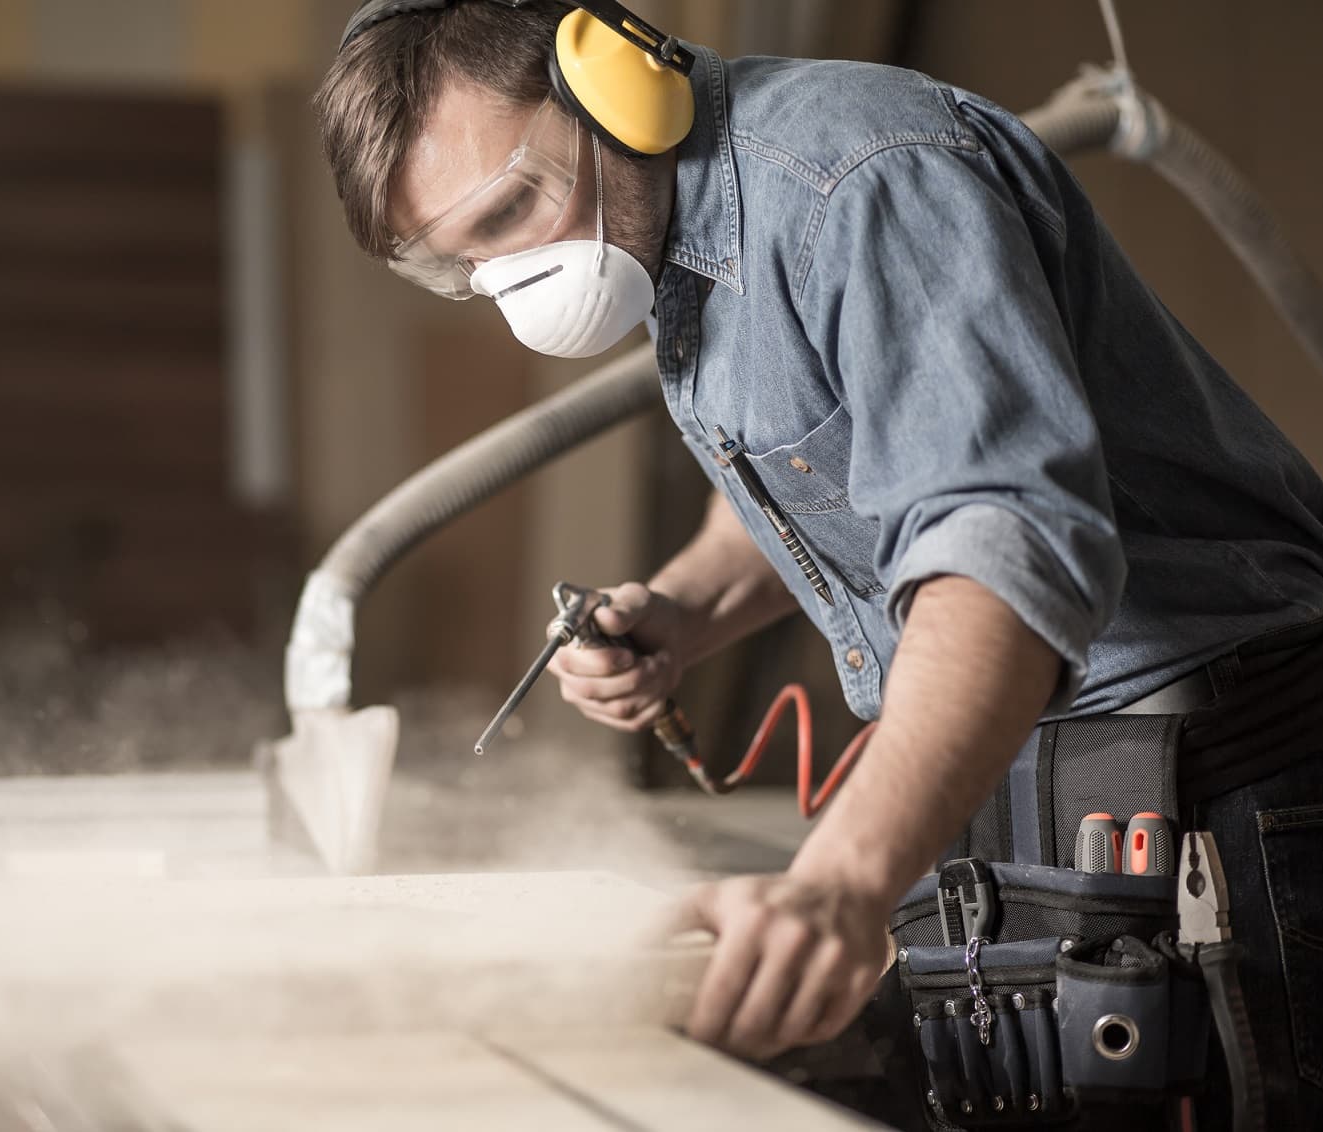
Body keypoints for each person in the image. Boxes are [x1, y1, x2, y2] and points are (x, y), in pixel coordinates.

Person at [315, 1, 1323, 1124]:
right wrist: (684, 611)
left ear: (615, 88)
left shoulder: (860, 182)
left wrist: (839, 882)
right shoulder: (683, 231)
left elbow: (1003, 554)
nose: (511, 279)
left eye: (511, 210)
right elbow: (825, 459)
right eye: (463, 267)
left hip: (1220, 787)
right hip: (1045, 768)